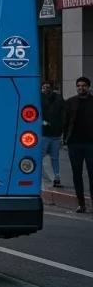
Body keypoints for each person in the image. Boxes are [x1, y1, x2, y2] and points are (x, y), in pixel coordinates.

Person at [63, 75, 93, 214]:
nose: (81, 88)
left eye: (83, 86)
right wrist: (64, 139)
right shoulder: (70, 102)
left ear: (89, 87)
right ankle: (81, 204)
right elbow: (65, 121)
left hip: (90, 143)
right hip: (74, 143)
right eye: (79, 86)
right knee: (77, 174)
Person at [41, 80, 66, 188]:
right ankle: (43, 178)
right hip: (44, 134)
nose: (46, 89)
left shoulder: (58, 98)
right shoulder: (38, 97)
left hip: (55, 134)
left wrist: (61, 128)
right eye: (44, 87)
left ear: (51, 88)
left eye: (48, 87)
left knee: (54, 157)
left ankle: (56, 178)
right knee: (40, 157)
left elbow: (63, 113)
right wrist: (41, 122)